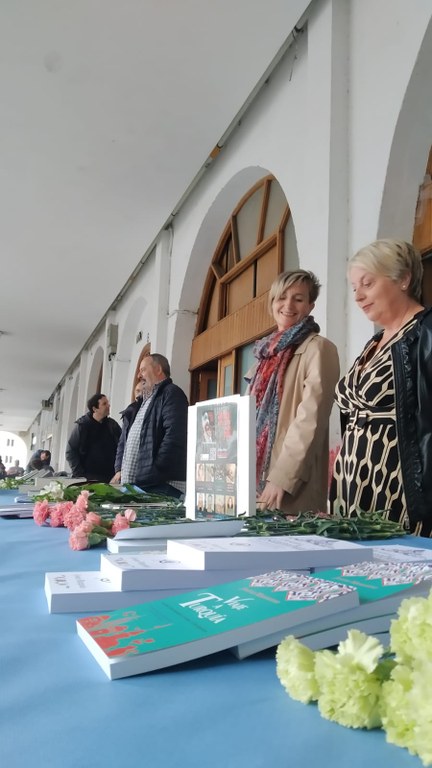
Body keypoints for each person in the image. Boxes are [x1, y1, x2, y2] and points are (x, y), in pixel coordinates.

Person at [329, 238, 432, 537]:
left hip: (401, 496)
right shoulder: (374, 343)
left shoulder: (425, 331)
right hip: (354, 489)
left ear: (403, 279)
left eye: (368, 283)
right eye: (354, 288)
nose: (359, 296)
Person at [246, 269, 340, 513]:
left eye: (298, 299)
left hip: (289, 485)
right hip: (252, 483)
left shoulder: (318, 349)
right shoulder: (263, 354)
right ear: (272, 302)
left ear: (310, 306)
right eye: (282, 297)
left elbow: (311, 419)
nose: (288, 305)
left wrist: (282, 477)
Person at [112, 353, 188, 498]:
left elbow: (175, 434)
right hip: (143, 485)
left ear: (158, 369)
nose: (139, 375)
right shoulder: (147, 399)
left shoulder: (171, 393)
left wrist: (156, 468)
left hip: (160, 485)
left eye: (143, 370)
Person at [66, 394, 121, 482]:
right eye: (104, 404)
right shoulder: (82, 426)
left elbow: (122, 446)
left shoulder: (112, 425)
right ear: (94, 409)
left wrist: (119, 471)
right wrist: (79, 475)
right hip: (88, 478)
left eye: (108, 403)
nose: (108, 405)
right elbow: (71, 451)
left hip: (111, 478)